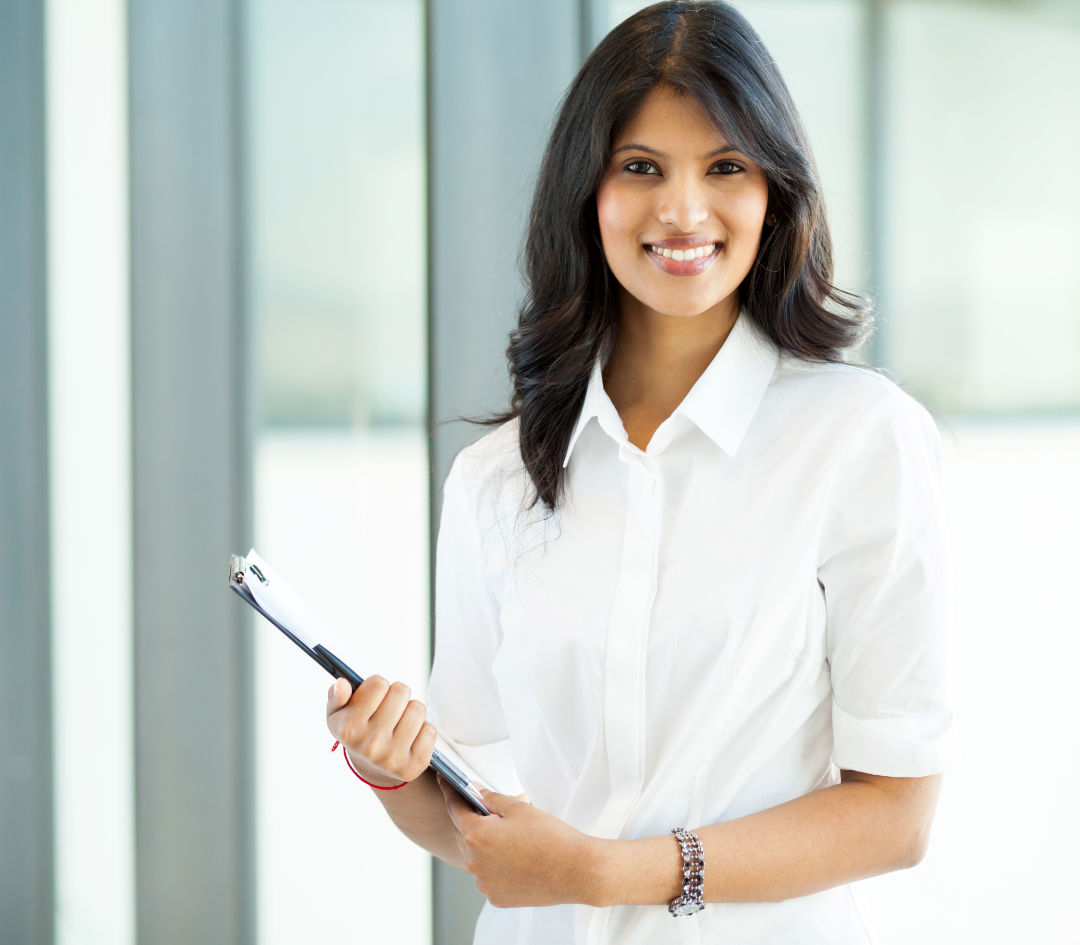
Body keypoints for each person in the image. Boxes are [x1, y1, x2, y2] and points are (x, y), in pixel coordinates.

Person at [325, 2, 951, 942]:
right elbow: (481, 830)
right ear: (588, 190)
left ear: (774, 190)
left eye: (726, 167)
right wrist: (388, 767)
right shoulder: (495, 478)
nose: (684, 211)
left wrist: (611, 871)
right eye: (641, 167)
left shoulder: (862, 439)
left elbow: (896, 814)